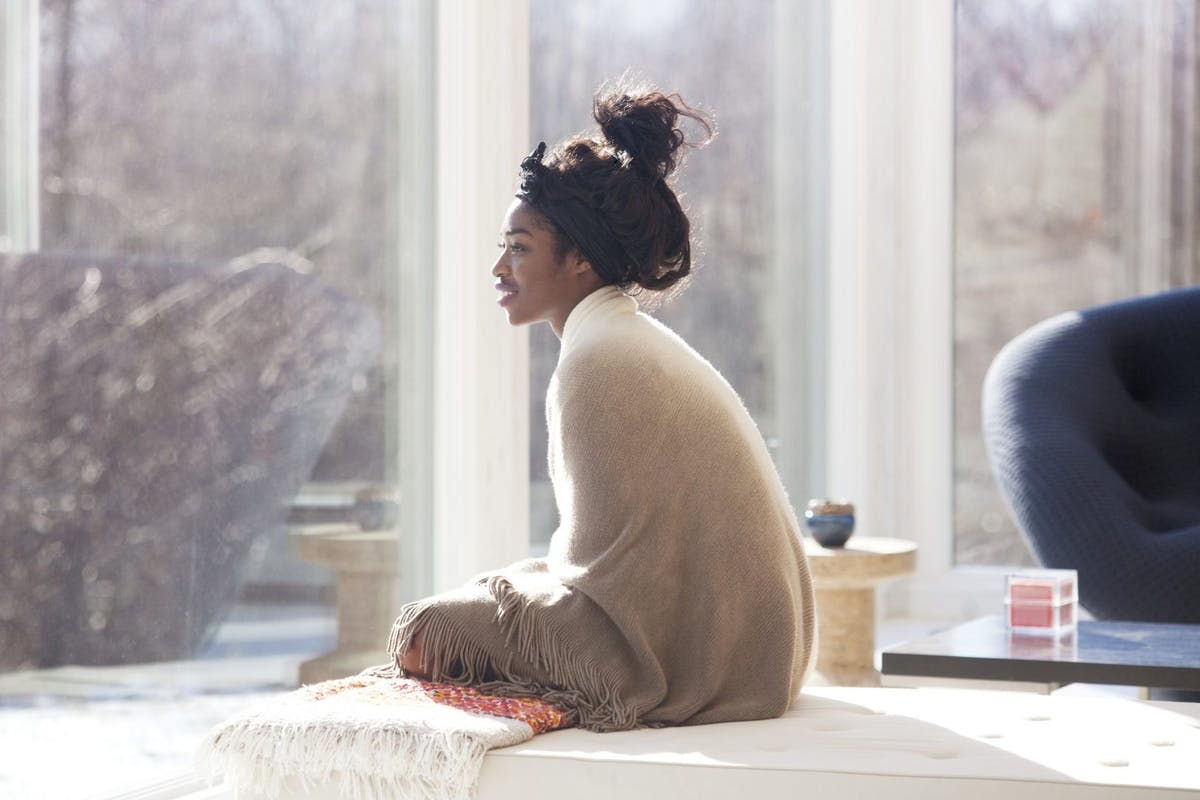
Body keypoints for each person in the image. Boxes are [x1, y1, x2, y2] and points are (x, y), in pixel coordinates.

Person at [385, 80, 815, 732]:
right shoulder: (623, 336)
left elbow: (598, 584)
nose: (500, 267)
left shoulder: (596, 362)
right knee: (493, 594)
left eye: (521, 247)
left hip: (702, 662)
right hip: (767, 653)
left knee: (427, 630)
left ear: (580, 259)